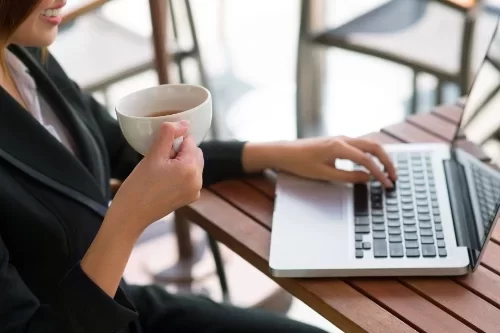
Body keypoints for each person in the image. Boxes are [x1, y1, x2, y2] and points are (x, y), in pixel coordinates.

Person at [0, 1, 397, 332]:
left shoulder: (19, 53)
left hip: (123, 311)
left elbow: (121, 146)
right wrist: (127, 221)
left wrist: (279, 153)